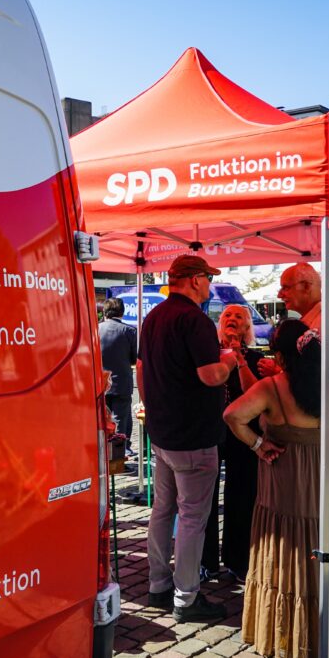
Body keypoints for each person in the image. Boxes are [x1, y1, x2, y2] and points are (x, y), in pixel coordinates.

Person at [224, 321, 329, 658]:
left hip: (285, 486)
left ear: (281, 356)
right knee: (322, 550)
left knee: (290, 551)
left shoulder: (272, 387)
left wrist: (257, 444)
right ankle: (328, 633)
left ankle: (287, 635)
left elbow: (232, 415)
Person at [137, 254, 239, 623]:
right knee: (193, 517)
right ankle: (186, 597)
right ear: (195, 280)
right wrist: (229, 360)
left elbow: (141, 370)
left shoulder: (154, 316)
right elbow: (211, 376)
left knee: (163, 510)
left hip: (163, 432)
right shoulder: (193, 319)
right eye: (208, 279)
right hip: (193, 435)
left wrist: (153, 407)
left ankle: (158, 585)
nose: (210, 286)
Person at [216, 304, 265, 582]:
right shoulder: (208, 354)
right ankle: (206, 560)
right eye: (227, 316)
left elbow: (253, 393)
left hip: (243, 434)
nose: (232, 320)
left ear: (248, 327)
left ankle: (238, 558)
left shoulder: (256, 357)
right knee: (206, 497)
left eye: (239, 317)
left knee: (241, 494)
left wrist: (239, 358)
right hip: (211, 431)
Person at [277, 263, 329, 386]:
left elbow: (327, 385)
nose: (280, 295)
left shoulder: (326, 325)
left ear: (306, 286)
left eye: (285, 288)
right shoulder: (320, 321)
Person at [99, 297, 137, 457]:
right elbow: (134, 358)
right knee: (121, 419)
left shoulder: (95, 329)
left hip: (100, 382)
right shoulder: (129, 331)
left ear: (104, 312)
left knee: (101, 420)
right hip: (121, 381)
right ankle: (119, 454)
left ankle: (104, 452)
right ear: (122, 312)